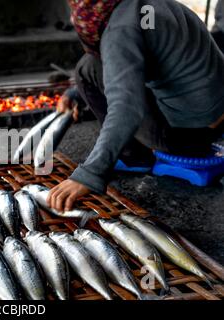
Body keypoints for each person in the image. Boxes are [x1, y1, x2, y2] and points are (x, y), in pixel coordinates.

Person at [48, 0, 224, 212]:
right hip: (212, 118)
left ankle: (134, 157)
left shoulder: (120, 29)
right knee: (96, 66)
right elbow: (131, 63)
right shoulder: (141, 6)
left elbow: (126, 107)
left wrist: (89, 175)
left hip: (187, 136)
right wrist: (75, 93)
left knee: (87, 68)